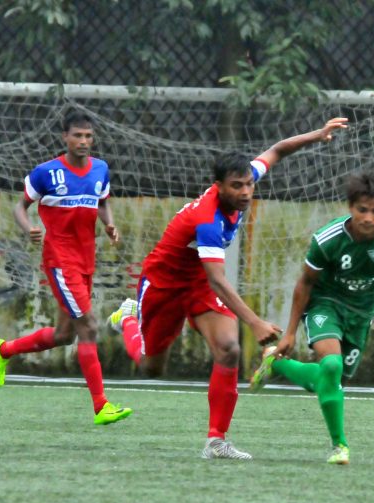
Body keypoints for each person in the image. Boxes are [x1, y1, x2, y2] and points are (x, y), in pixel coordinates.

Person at [108, 117, 349, 460]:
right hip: (163, 285)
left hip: (198, 284)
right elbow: (218, 280)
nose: (246, 192)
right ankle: (129, 317)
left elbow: (277, 150)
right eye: (237, 186)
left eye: (249, 184)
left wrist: (318, 134)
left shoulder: (245, 183)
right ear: (218, 186)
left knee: (229, 349)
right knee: (151, 368)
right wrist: (255, 322)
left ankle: (216, 440)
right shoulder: (207, 219)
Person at [251, 171, 374, 465]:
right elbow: (304, 283)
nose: (369, 218)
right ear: (350, 207)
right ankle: (339, 446)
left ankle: (276, 362)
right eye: (362, 210)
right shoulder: (328, 240)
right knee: (331, 364)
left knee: (331, 380)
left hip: (360, 313)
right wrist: (291, 332)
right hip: (325, 304)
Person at [0, 110, 132, 426]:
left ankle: (4, 350)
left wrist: (110, 224)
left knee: (65, 334)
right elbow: (19, 206)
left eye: (88, 136)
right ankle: (101, 406)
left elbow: (102, 201)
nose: (83, 141)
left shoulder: (101, 169)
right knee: (89, 327)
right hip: (60, 261)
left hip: (86, 259)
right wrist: (28, 228)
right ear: (64, 137)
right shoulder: (47, 173)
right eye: (77, 135)